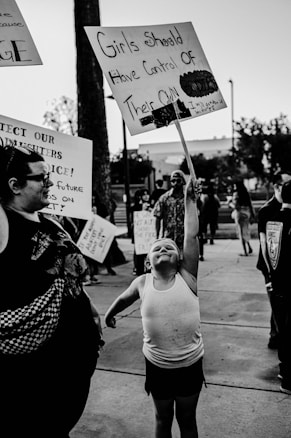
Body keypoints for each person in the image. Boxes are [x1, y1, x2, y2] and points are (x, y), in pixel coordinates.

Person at [0, 145, 104, 438]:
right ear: (15, 185)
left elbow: (68, 280)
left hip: (73, 358)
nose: (51, 183)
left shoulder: (49, 221)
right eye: (42, 177)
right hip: (37, 371)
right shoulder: (4, 223)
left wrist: (90, 309)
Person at [105, 177, 205, 438]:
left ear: (180, 258)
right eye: (156, 247)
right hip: (157, 365)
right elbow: (125, 298)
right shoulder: (142, 281)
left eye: (169, 247)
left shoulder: (188, 277)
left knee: (187, 419)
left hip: (189, 363)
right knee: (162, 419)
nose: (163, 248)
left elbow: (191, 234)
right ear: (148, 262)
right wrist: (110, 313)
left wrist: (189, 200)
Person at [256, 170, 291, 349]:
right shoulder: (267, 210)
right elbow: (265, 246)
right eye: (287, 184)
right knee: (278, 303)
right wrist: (271, 275)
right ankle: (278, 337)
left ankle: (276, 335)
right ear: (277, 186)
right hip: (271, 265)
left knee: (280, 302)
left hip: (283, 265)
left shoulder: (288, 205)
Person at [265, 180, 291, 394]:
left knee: (283, 329)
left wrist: (271, 277)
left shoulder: (272, 222)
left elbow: (268, 252)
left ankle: (285, 373)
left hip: (278, 282)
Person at [153, 170, 186, 251]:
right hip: (168, 238)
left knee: (184, 262)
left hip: (185, 238)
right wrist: (157, 236)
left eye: (178, 180)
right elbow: (158, 217)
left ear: (183, 182)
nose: (175, 183)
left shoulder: (188, 199)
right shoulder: (164, 198)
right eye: (173, 181)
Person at [228, 181, 255, 256]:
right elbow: (250, 205)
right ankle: (249, 247)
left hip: (239, 214)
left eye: (235, 186)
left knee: (241, 232)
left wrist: (230, 203)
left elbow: (236, 206)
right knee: (245, 230)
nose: (234, 187)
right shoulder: (246, 194)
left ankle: (245, 252)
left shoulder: (236, 194)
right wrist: (253, 215)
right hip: (247, 213)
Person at [131, 188, 152, 276]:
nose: (146, 196)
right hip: (139, 233)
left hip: (149, 234)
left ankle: (149, 267)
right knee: (139, 252)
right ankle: (138, 268)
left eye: (147, 194)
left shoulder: (152, 205)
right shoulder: (135, 207)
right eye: (144, 195)